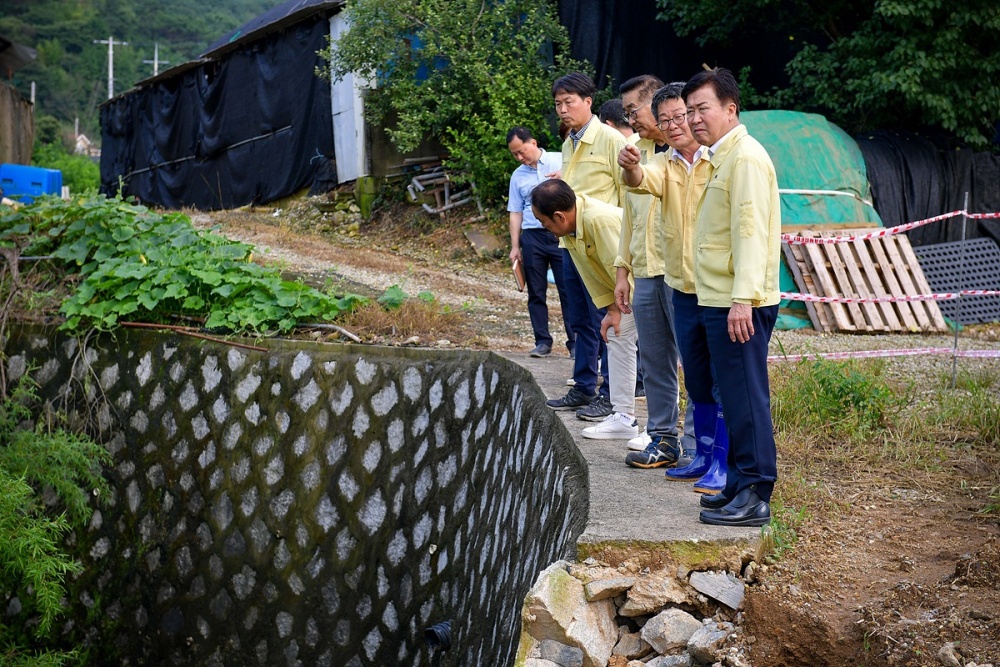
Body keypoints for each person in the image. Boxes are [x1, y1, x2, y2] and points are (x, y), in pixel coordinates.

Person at [682, 68, 782, 527]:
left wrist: (742, 299)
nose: (695, 119)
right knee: (735, 398)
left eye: (703, 109)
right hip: (719, 297)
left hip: (739, 301)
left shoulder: (744, 159)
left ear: (730, 109)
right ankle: (739, 484)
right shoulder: (721, 157)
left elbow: (750, 233)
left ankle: (757, 492)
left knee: (746, 397)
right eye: (690, 112)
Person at [617, 83, 724, 486]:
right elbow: (631, 206)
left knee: (696, 362)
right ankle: (663, 437)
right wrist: (622, 270)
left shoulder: (712, 161)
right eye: (664, 118)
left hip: (685, 276)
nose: (635, 118)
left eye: (636, 109)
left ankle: (701, 445)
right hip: (646, 270)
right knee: (656, 359)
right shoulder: (649, 159)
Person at [545, 72, 628, 423]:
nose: (563, 110)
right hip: (570, 243)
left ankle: (610, 393)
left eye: (569, 102)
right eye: (558, 104)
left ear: (588, 102)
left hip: (602, 242)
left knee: (606, 316)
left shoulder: (610, 139)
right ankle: (583, 385)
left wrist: (626, 245)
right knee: (577, 318)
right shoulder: (568, 143)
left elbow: (626, 194)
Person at [532, 178, 640, 441]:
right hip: (623, 291)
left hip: (647, 283)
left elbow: (622, 267)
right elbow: (592, 276)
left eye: (543, 221)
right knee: (617, 334)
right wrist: (611, 310)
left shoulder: (596, 220)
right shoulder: (569, 229)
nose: (543, 227)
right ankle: (624, 416)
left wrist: (621, 307)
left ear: (558, 216)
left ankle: (661, 430)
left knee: (658, 352)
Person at [506, 126, 575, 359]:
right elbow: (515, 211)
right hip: (532, 236)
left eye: (521, 151)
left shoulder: (560, 159)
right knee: (536, 291)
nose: (519, 157)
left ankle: (575, 342)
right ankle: (542, 341)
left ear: (533, 143)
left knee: (568, 290)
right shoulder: (518, 175)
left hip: (559, 233)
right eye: (514, 154)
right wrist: (515, 246)